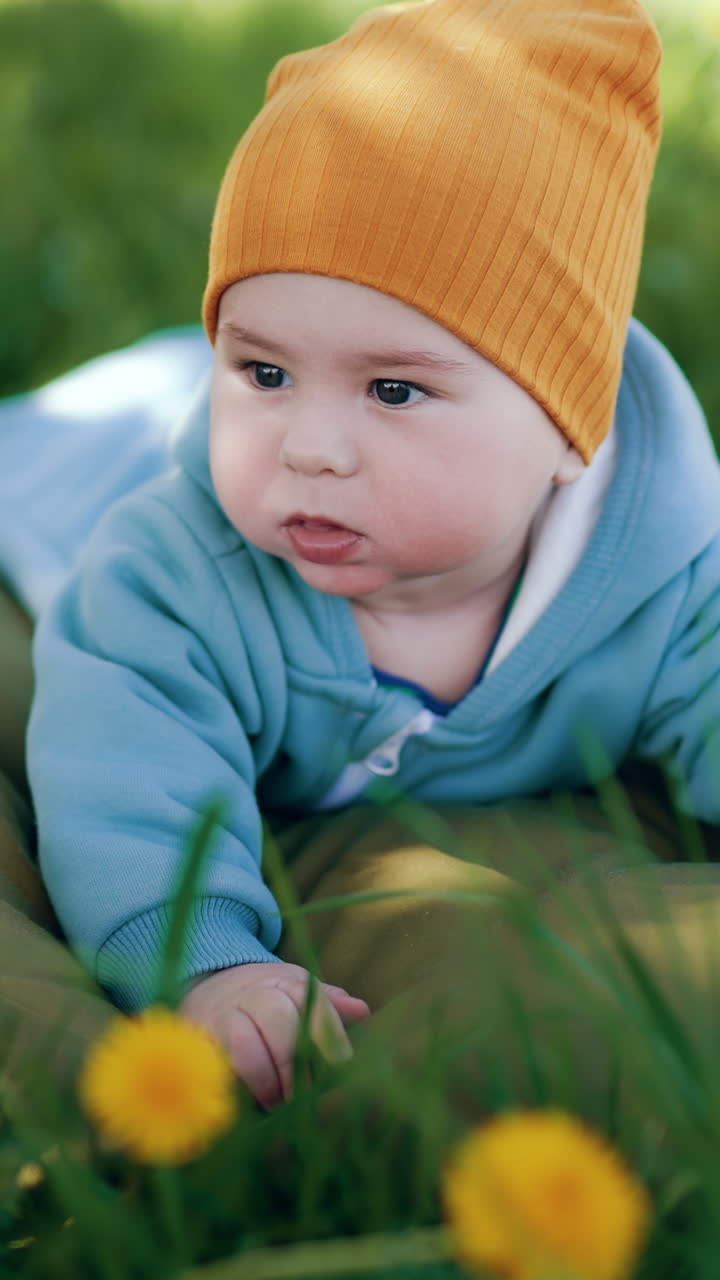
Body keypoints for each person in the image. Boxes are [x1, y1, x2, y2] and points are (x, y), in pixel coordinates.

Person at [4, 0, 720, 1117]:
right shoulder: (176, 571)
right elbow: (122, 767)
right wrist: (205, 965)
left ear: (567, 427)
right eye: (262, 371)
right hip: (56, 506)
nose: (312, 446)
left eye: (394, 390)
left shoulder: (668, 579)